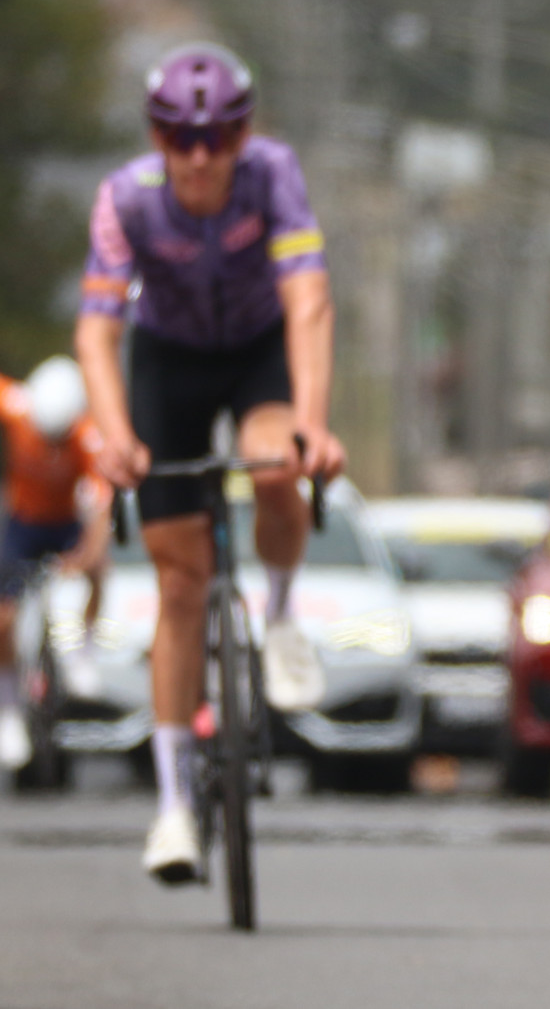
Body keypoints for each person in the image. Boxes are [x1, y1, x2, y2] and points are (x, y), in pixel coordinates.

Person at [74, 43, 348, 885]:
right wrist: (115, 435)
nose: (199, 157)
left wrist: (310, 424)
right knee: (179, 586)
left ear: (243, 132)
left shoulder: (272, 175)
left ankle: (281, 611)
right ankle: (172, 808)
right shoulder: (127, 197)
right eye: (179, 137)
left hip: (258, 352)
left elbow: (308, 301)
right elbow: (97, 331)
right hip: (170, 362)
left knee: (273, 466)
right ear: (157, 136)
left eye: (218, 136)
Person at [0, 357, 111, 768]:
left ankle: (84, 653)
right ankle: (8, 708)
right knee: (3, 618)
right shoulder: (16, 405)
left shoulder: (86, 436)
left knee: (101, 570)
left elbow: (101, 507)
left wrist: (87, 554)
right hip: (23, 525)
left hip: (65, 523)